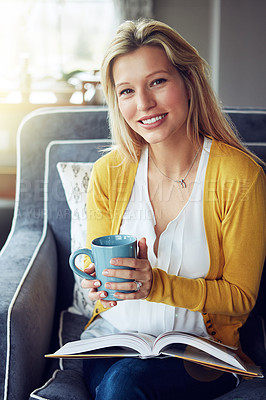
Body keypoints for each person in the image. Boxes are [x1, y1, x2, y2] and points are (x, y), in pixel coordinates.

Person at [80, 18, 266, 400]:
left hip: (200, 349)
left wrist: (156, 285)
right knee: (118, 382)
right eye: (127, 90)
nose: (144, 104)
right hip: (115, 338)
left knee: (120, 386)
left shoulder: (240, 176)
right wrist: (97, 287)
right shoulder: (108, 173)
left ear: (188, 82)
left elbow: (241, 297)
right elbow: (97, 275)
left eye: (158, 82)